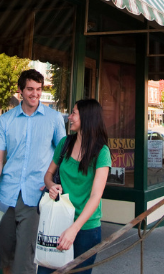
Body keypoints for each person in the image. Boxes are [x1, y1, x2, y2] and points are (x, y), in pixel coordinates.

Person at [0, 69, 67, 274]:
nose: (35, 94)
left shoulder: (54, 119)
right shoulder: (6, 120)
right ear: (20, 90)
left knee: (25, 259)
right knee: (5, 255)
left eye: (38, 89)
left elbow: (62, 156)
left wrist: (53, 182)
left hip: (36, 196)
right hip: (7, 195)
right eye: (30, 89)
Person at [38, 99, 111, 274]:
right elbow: (48, 175)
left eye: (74, 113)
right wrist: (51, 185)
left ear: (86, 118)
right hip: (58, 221)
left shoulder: (102, 152)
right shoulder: (65, 143)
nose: (69, 117)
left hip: (85, 229)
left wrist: (74, 229)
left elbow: (96, 196)